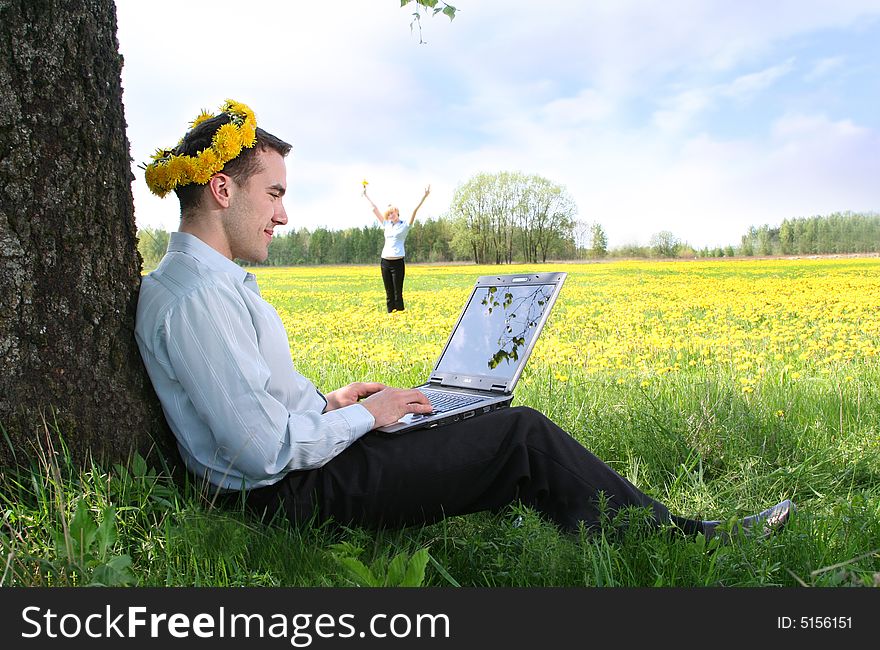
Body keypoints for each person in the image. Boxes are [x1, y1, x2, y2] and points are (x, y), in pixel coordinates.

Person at [135, 100, 793, 544]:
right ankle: (687, 542)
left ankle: (612, 521)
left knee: (472, 416)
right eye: (274, 194)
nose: (283, 216)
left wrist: (335, 401)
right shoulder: (196, 297)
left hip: (302, 473)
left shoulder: (209, 285)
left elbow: (257, 411)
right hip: (291, 499)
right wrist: (366, 417)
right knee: (519, 436)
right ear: (222, 190)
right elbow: (259, 452)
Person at [363, 183, 430, 312]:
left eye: (392, 213)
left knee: (397, 293)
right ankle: (390, 317)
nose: (390, 216)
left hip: (398, 262)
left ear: (397, 212)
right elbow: (374, 208)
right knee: (389, 294)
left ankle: (399, 319)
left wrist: (424, 196)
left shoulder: (405, 225)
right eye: (388, 214)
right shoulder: (386, 224)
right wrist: (366, 195)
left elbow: (414, 211)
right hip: (385, 262)